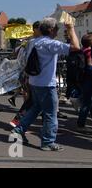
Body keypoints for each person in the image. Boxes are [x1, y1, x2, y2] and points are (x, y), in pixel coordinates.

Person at [11, 18, 80, 151]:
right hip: (47, 84)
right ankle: (48, 142)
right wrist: (70, 28)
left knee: (36, 108)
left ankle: (19, 130)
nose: (57, 32)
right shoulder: (51, 44)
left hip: (34, 82)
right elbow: (76, 48)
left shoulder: (32, 42)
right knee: (50, 113)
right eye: (56, 30)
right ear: (51, 30)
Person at [9, 21, 41, 127]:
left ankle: (19, 121)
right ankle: (19, 122)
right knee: (33, 100)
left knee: (32, 100)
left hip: (26, 72)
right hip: (32, 74)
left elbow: (15, 54)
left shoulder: (27, 42)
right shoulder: (34, 42)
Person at [77, 33, 92, 132]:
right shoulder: (89, 51)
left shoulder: (81, 50)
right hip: (89, 79)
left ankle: (81, 123)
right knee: (86, 103)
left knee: (88, 102)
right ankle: (81, 125)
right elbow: (90, 67)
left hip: (82, 80)